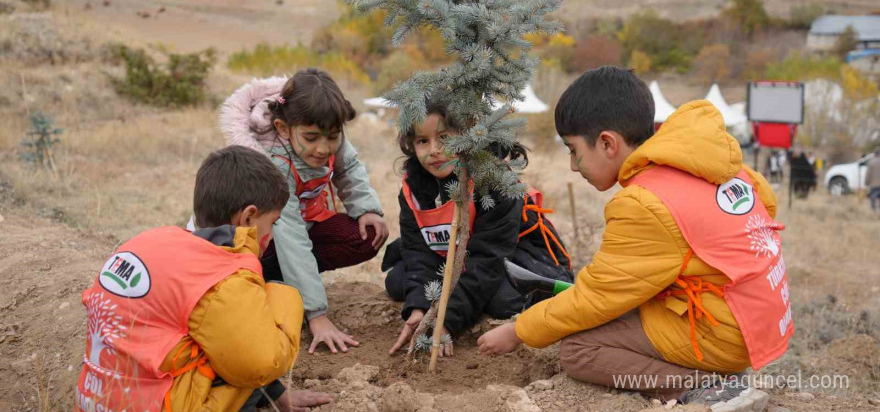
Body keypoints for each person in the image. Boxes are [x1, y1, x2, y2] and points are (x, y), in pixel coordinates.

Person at [478, 67, 791, 412]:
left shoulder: (643, 202)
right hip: (761, 317)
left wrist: (519, 330)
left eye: (572, 149)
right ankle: (716, 369)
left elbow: (596, 299)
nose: (571, 165)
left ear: (607, 143)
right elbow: (766, 206)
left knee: (580, 350)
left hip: (725, 331)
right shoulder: (707, 164)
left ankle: (707, 389)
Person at [76, 146, 333, 412]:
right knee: (254, 334)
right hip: (159, 404)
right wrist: (283, 295)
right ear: (248, 217)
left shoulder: (151, 241)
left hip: (97, 399)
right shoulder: (223, 277)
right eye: (273, 222)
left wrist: (275, 394)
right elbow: (259, 364)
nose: (271, 235)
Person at [217, 69, 390, 355]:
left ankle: (286, 283)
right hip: (260, 243)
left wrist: (366, 210)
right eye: (311, 138)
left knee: (366, 235)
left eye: (332, 137)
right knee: (268, 260)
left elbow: (349, 168)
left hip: (306, 225)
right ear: (283, 128)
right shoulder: (273, 162)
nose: (323, 148)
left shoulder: (325, 129)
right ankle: (266, 282)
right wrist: (316, 314)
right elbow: (290, 234)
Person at [384, 100, 573, 357]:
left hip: (513, 256)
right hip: (451, 258)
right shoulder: (413, 188)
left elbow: (489, 260)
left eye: (444, 137)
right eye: (422, 141)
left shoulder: (496, 183)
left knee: (503, 299)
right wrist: (421, 309)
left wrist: (447, 321)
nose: (435, 150)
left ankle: (521, 292)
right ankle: (462, 296)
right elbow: (418, 251)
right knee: (397, 282)